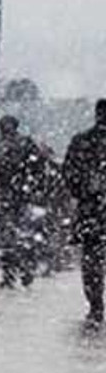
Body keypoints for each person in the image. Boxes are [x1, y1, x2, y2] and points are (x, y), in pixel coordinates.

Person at [0, 115, 49, 289]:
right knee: (23, 237)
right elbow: (39, 168)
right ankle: (24, 270)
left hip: (9, 198)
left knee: (9, 238)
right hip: (21, 197)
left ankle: (11, 274)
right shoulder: (25, 144)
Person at [62, 99, 106, 326]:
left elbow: (69, 174)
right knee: (92, 262)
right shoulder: (82, 142)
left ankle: (96, 305)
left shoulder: (82, 141)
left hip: (92, 212)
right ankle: (96, 305)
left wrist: (84, 190)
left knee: (92, 263)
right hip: (93, 211)